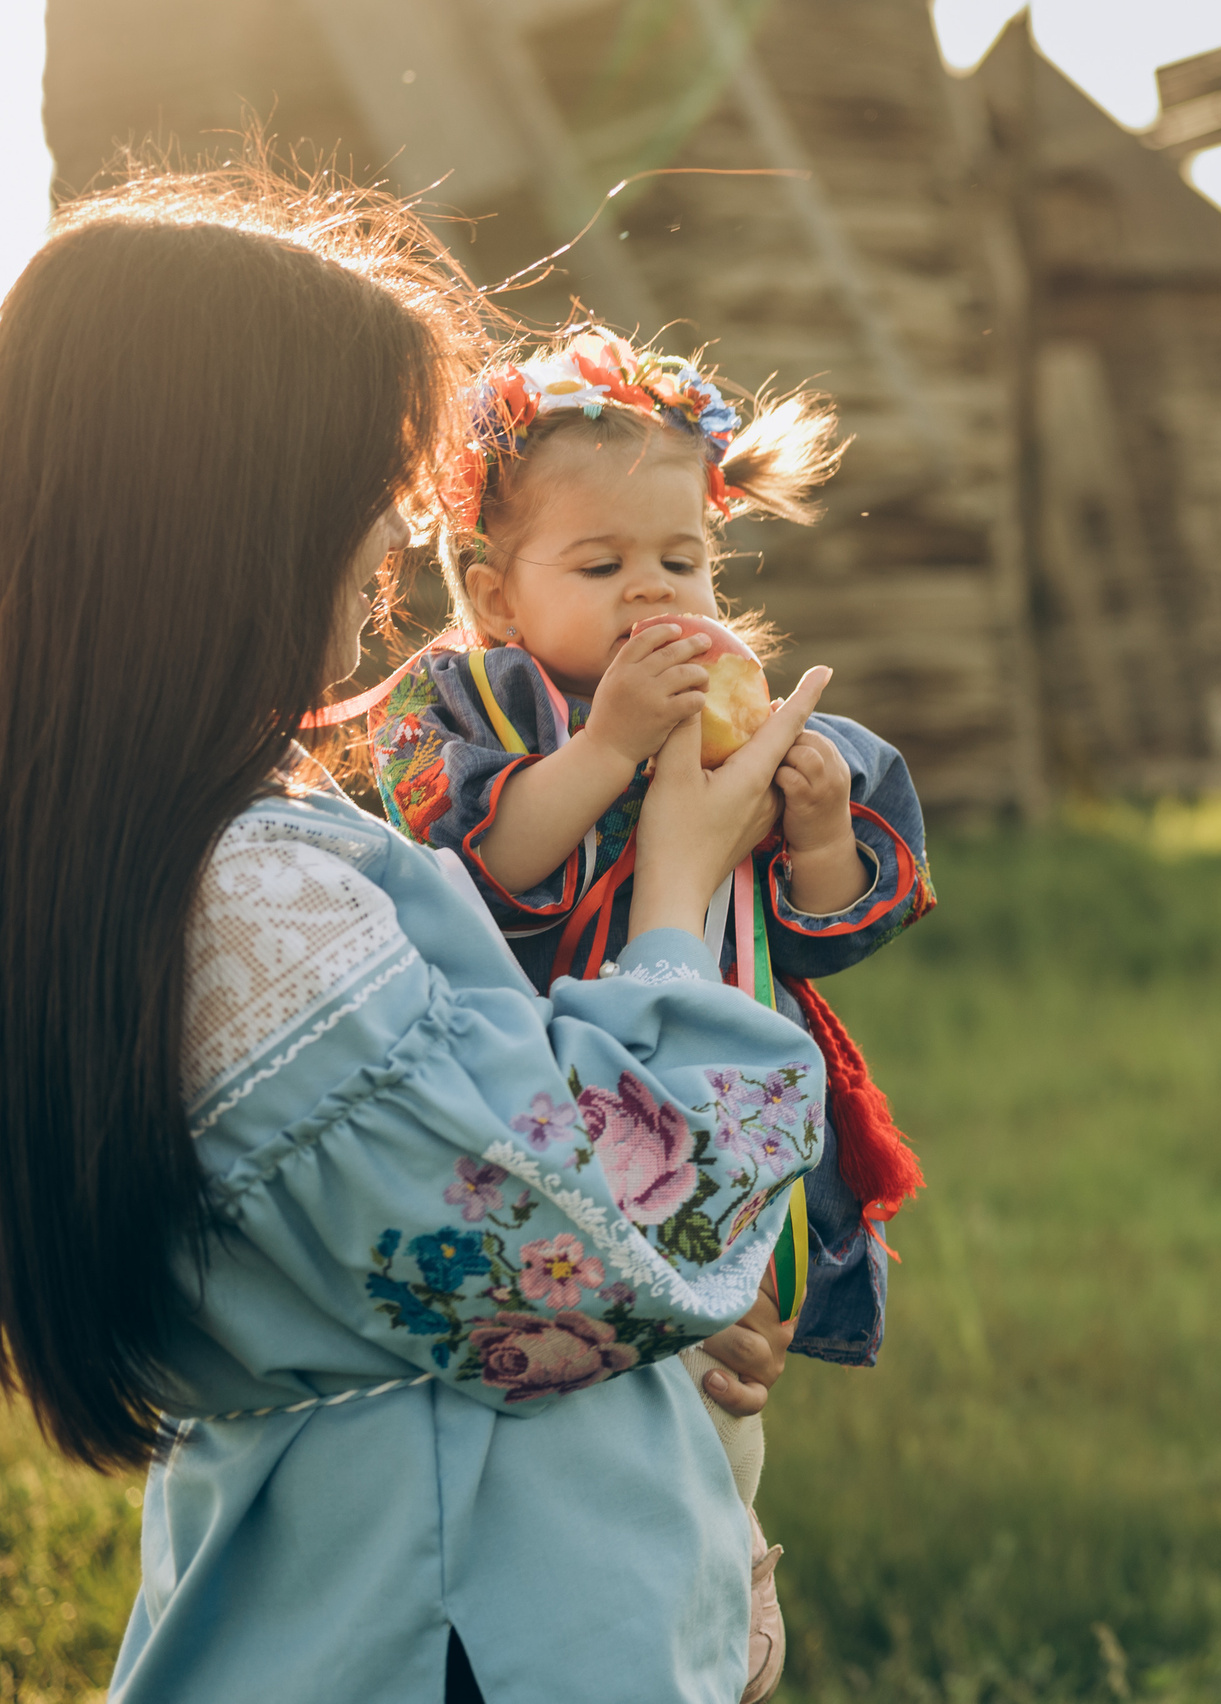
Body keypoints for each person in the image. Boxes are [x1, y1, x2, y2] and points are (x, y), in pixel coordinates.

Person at [0, 169, 828, 1702]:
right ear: (231, 516)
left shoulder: (115, 846)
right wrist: (674, 894)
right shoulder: (258, 904)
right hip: (458, 1626)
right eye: (362, 482)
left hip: (352, 1586)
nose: (394, 536)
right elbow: (589, 1269)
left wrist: (668, 1333)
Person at [360, 330, 934, 1551]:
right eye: (602, 561)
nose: (653, 591)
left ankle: (717, 1584)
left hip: (724, 1111)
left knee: (713, 1422)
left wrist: (820, 832)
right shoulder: (470, 709)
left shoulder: (758, 724)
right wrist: (609, 747)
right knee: (577, 1399)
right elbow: (492, 864)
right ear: (495, 594)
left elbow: (824, 934)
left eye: (682, 559)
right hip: (543, 1114)